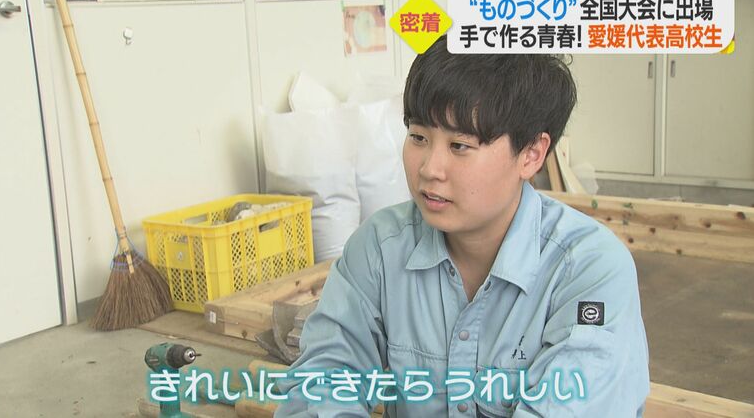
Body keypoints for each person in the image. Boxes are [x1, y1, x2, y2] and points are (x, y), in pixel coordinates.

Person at [275, 35, 650, 417]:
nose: (429, 169)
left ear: (531, 154)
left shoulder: (588, 271)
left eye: (459, 146)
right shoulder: (380, 249)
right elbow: (322, 380)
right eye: (418, 137)